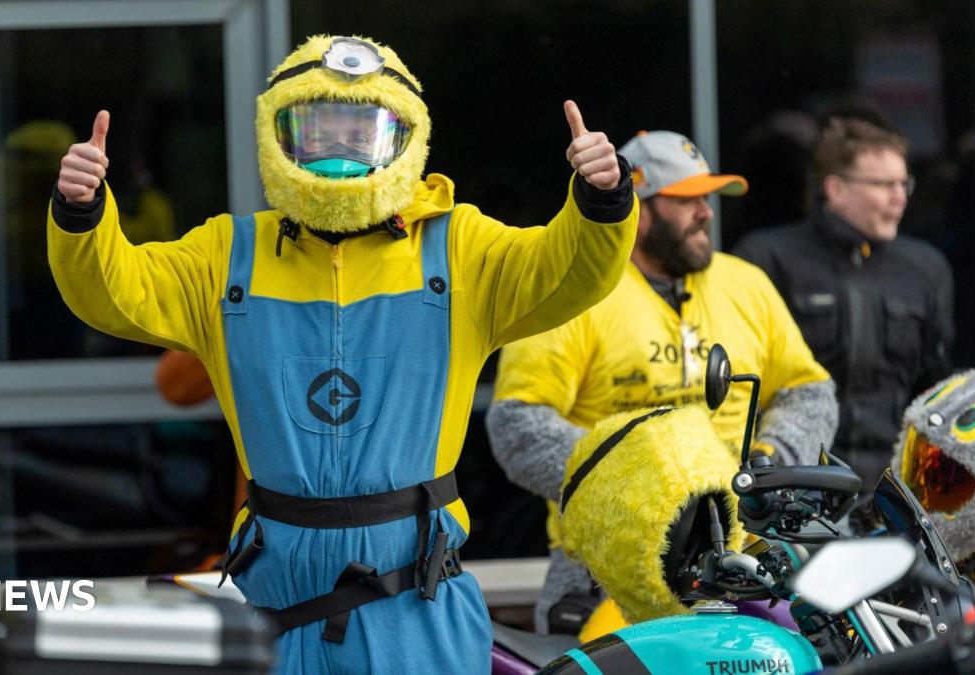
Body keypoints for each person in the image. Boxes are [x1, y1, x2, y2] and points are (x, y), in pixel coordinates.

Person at [47, 35, 638, 674]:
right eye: (318, 129)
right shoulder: (228, 255)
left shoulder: (456, 248)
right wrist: (82, 213)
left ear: (405, 137)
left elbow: (565, 270)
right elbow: (116, 292)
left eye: (362, 131)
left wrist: (600, 201)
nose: (340, 147)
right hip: (272, 602)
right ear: (278, 135)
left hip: (415, 607)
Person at [487, 130, 837, 635]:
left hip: (750, 557)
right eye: (687, 200)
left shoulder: (746, 283)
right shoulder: (574, 289)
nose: (706, 213)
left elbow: (809, 391)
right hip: (606, 569)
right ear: (639, 208)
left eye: (708, 198)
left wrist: (768, 461)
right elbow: (517, 425)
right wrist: (643, 485)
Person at [734, 116, 954, 490]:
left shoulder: (926, 268)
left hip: (896, 486)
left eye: (904, 183)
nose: (899, 197)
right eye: (884, 184)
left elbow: (937, 390)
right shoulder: (766, 259)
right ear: (836, 190)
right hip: (799, 484)